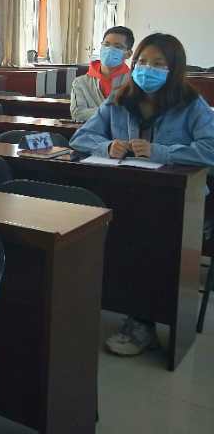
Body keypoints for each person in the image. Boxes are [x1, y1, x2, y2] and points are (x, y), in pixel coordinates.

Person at [70, 33, 214, 356]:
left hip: (178, 201)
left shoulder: (192, 104)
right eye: (143, 62)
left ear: (174, 69)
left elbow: (210, 149)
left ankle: (142, 321)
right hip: (126, 191)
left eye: (158, 64)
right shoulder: (119, 98)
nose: (148, 69)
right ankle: (109, 302)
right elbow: (81, 138)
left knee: (148, 240)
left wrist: (161, 152)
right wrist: (107, 146)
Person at [71, 26, 134, 122]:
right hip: (91, 131)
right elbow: (78, 114)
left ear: (128, 54)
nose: (110, 50)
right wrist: (114, 112)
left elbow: (135, 114)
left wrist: (94, 113)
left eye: (118, 47)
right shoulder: (80, 82)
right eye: (106, 44)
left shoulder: (134, 82)